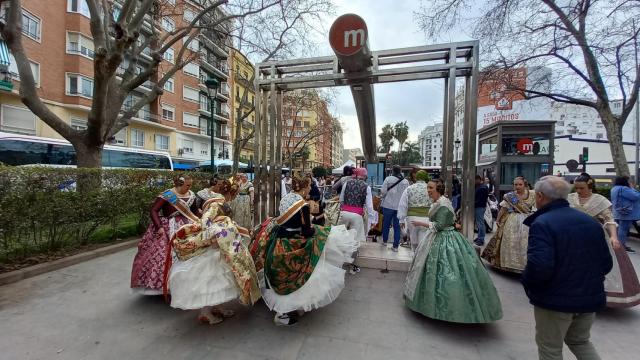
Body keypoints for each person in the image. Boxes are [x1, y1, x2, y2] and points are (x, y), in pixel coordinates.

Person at [522, 176, 612, 360]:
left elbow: (539, 267)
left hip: (555, 300)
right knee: (580, 341)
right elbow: (606, 264)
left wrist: (529, 284)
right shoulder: (590, 222)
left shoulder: (543, 223)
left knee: (550, 348)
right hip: (589, 297)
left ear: (539, 196)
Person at [249, 176, 358, 326]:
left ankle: (284, 311)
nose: (309, 189)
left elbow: (283, 220)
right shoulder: (303, 205)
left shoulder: (286, 199)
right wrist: (316, 229)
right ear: (304, 187)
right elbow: (306, 231)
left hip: (279, 243)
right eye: (309, 186)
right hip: (295, 243)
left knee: (283, 276)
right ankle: (286, 313)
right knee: (300, 277)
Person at [404, 179, 503, 323]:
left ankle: (446, 307)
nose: (428, 190)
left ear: (438, 189)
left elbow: (440, 225)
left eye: (430, 188)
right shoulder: (440, 202)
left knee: (446, 271)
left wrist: (420, 223)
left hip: (444, 238)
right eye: (428, 188)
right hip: (439, 236)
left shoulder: (443, 204)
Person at [167, 177, 261, 324]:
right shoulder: (217, 203)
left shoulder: (219, 202)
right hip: (213, 247)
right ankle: (205, 313)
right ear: (231, 193)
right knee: (211, 281)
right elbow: (206, 222)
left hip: (219, 247)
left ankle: (218, 307)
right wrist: (219, 233)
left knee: (219, 282)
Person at [569, 173, 640, 308]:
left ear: (590, 186)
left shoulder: (600, 200)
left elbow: (609, 220)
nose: (578, 191)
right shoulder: (570, 198)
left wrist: (613, 237)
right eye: (576, 188)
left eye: (581, 188)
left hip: (594, 237)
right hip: (572, 237)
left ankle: (596, 296)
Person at [130, 174, 200, 295]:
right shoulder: (167, 195)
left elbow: (194, 212)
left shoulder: (191, 195)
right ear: (179, 184)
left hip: (188, 227)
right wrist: (159, 227)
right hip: (168, 229)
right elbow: (153, 210)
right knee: (164, 256)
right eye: (187, 185)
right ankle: (165, 286)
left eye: (190, 185)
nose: (190, 187)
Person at [481, 176, 536, 273]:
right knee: (510, 241)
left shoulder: (532, 194)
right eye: (515, 184)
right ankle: (508, 264)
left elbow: (537, 207)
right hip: (513, 219)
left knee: (525, 242)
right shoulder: (510, 196)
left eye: (520, 184)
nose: (517, 186)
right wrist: (498, 219)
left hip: (528, 220)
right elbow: (504, 208)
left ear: (525, 185)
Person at [397, 170, 431, 250]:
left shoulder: (409, 189)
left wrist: (401, 220)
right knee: (423, 243)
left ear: (416, 177)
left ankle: (414, 256)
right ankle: (421, 259)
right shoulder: (430, 189)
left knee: (414, 242)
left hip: (411, 218)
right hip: (426, 218)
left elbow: (403, 204)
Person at [380, 165, 410, 251]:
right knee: (397, 226)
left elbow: (383, 191)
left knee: (386, 224)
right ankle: (395, 246)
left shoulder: (388, 179)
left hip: (388, 206)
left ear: (392, 171)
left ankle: (385, 241)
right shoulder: (406, 181)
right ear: (400, 171)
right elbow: (407, 194)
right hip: (399, 207)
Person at [611, 176, 640, 253]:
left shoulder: (614, 188)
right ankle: (621, 246)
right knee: (623, 230)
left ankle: (616, 244)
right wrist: (632, 188)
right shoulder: (624, 189)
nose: (629, 182)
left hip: (617, 212)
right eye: (628, 181)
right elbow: (636, 196)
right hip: (626, 213)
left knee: (618, 229)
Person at [474, 175, 490, 246]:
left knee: (480, 223)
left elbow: (480, 200)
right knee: (479, 222)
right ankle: (480, 237)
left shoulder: (482, 188)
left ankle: (481, 239)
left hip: (479, 207)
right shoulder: (480, 187)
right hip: (479, 206)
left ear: (478, 180)